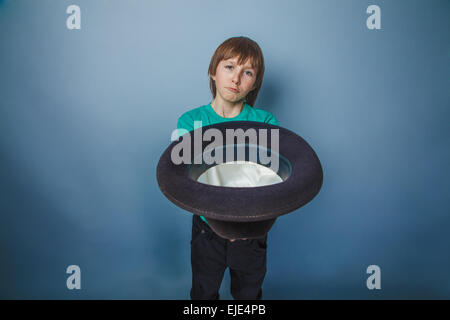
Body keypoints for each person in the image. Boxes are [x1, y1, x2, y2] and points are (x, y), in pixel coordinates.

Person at [176, 36, 278, 300]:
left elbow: (271, 181)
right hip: (206, 227)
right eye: (229, 67)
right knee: (203, 292)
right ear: (213, 71)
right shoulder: (190, 121)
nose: (236, 79)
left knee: (248, 295)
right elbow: (184, 180)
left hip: (252, 229)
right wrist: (221, 224)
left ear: (254, 83)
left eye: (247, 72)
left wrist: (242, 227)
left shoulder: (266, 121)